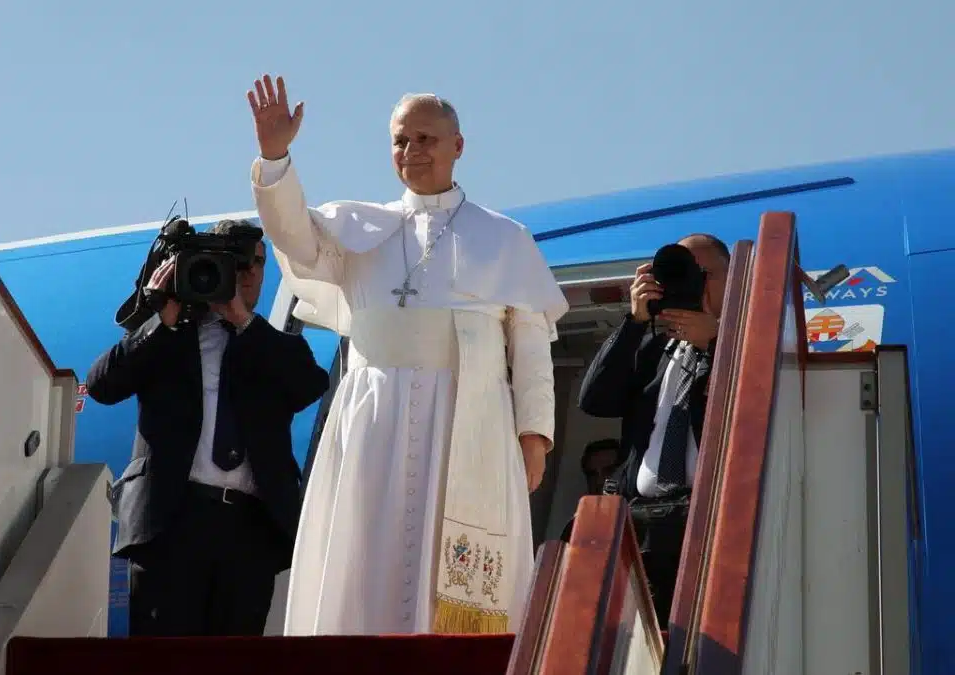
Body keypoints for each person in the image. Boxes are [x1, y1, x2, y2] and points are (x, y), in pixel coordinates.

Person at [245, 74, 570, 636]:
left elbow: (531, 346)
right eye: (400, 140)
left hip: (469, 422)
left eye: (425, 139)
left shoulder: (505, 238)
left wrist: (534, 437)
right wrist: (276, 158)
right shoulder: (358, 228)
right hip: (374, 420)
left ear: (457, 146)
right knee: (368, 552)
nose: (412, 150)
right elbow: (293, 236)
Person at [85, 219, 331, 637]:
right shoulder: (167, 337)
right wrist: (159, 319)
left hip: (248, 530)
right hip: (172, 523)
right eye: (236, 263)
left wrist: (242, 320)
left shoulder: (273, 345)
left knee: (234, 661)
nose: (247, 274)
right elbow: (101, 387)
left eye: (256, 264)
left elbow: (309, 385)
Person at [577, 233, 730, 629]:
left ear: (734, 279)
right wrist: (635, 322)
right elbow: (594, 400)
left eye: (704, 274)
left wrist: (718, 342)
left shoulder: (748, 344)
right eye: (681, 274)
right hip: (645, 527)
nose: (692, 284)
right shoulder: (654, 349)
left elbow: (755, 402)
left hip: (709, 525)